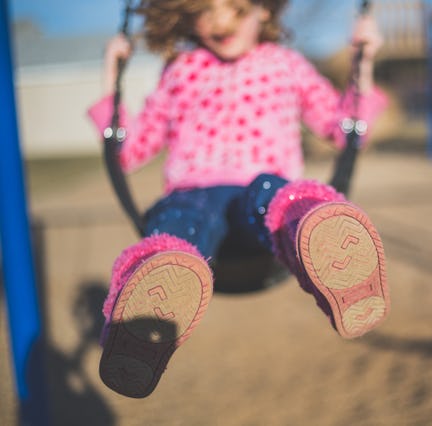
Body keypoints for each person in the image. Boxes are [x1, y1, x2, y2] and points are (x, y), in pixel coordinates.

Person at [88, 0, 390, 398]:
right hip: (193, 199)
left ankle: (330, 251)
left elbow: (342, 129)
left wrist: (362, 65)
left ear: (264, 9)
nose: (219, 21)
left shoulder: (286, 63)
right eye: (205, 9)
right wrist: (113, 78)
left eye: (234, 7)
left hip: (259, 205)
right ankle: (150, 306)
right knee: (175, 223)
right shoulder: (180, 70)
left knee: (278, 194)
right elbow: (129, 152)